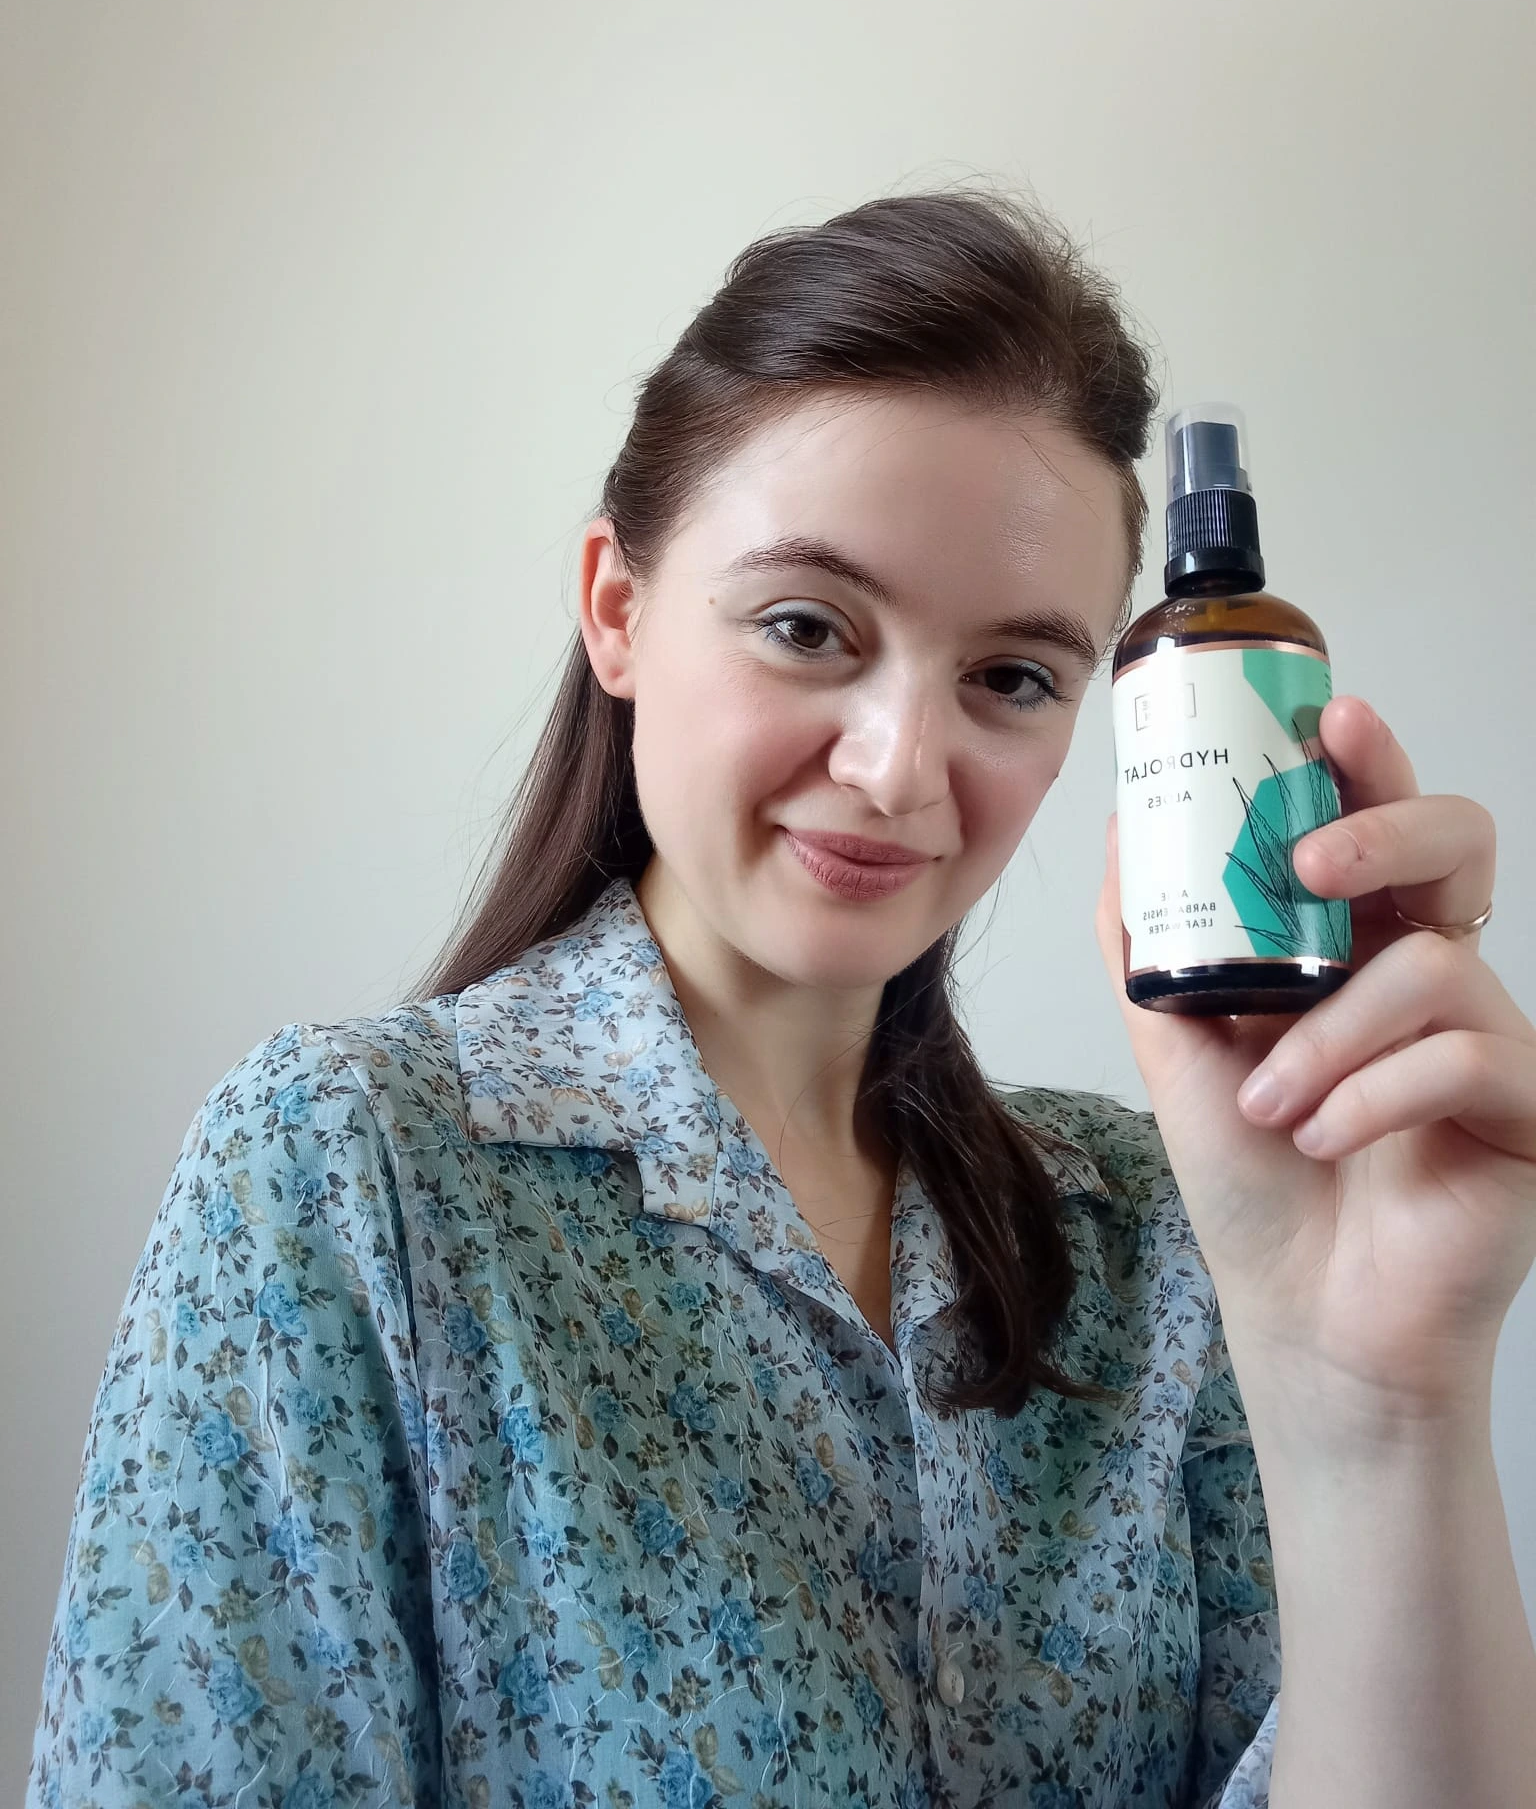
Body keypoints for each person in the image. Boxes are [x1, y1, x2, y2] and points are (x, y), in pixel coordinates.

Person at [26, 189, 1536, 1809]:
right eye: (809, 627)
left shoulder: (1159, 1237)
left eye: (1012, 677)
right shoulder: (350, 1171)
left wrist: (1382, 1401)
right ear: (617, 608)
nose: (898, 767)